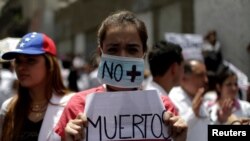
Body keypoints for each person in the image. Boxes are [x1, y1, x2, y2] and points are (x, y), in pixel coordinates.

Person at [54, 10, 187, 141]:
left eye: (132, 49)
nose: (122, 56)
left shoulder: (163, 108)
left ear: (143, 53)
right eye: (113, 49)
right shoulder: (78, 106)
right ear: (101, 53)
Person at [0, 32, 74, 141]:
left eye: (30, 60)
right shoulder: (8, 108)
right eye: (18, 61)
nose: (21, 67)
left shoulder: (71, 104)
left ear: (50, 65)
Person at [169, 59, 209, 141]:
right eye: (200, 75)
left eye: (206, 75)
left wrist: (220, 119)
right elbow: (174, 131)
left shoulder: (198, 97)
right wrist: (193, 112)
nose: (206, 80)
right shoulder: (172, 98)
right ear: (184, 78)